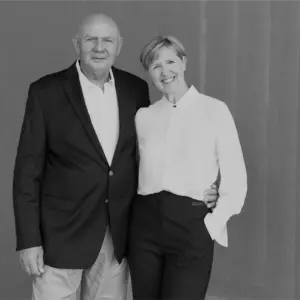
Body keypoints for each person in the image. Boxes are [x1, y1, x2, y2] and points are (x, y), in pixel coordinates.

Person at [12, 14, 219, 300]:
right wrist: (29, 241)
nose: (99, 47)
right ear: (77, 44)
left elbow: (155, 153)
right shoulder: (45, 92)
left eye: (107, 40)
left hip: (115, 239)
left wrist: (205, 188)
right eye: (90, 39)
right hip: (59, 239)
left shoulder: (134, 90)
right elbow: (27, 172)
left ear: (118, 46)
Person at [128, 35, 247, 300]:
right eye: (155, 65)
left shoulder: (214, 110)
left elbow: (235, 176)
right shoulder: (144, 117)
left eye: (170, 61)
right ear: (149, 72)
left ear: (184, 63)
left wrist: (212, 224)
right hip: (144, 227)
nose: (164, 71)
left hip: (192, 225)